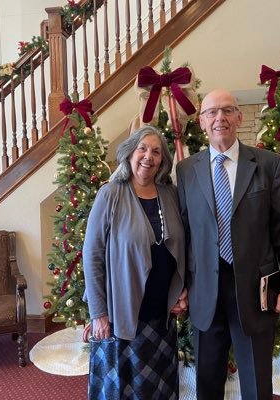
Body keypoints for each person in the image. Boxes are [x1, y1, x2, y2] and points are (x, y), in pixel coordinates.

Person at [176, 89, 280, 400]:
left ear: (239, 117)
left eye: (227, 110)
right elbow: (183, 234)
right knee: (206, 375)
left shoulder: (269, 164)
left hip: (254, 287)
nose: (219, 117)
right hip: (205, 287)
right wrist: (179, 286)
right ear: (202, 122)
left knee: (256, 377)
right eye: (212, 113)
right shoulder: (186, 170)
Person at [83, 126, 187, 400]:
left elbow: (184, 244)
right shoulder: (110, 194)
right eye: (142, 148)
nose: (148, 157)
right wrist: (98, 313)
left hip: (162, 316)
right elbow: (92, 255)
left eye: (156, 152)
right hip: (122, 317)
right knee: (122, 391)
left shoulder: (170, 194)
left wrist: (182, 289)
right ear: (129, 153)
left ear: (163, 161)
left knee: (159, 390)